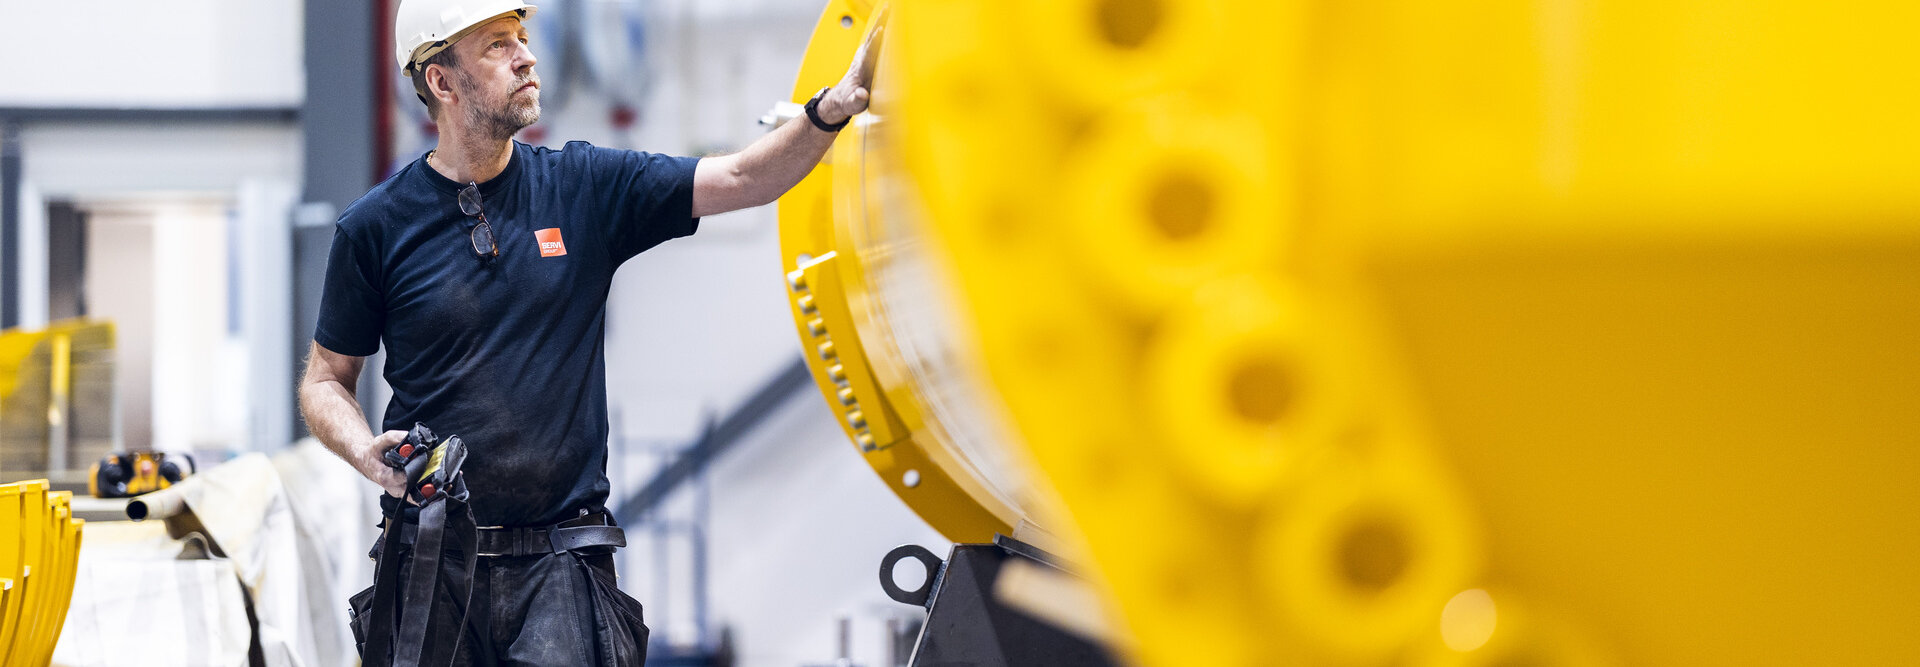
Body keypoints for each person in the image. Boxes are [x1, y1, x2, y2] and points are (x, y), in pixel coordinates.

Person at [295, 0, 880, 663]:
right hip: (433, 563)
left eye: (522, 37)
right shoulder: (376, 227)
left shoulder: (582, 186)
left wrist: (831, 108)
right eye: (496, 45)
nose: (527, 55)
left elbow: (746, 176)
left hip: (561, 570)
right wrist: (366, 452)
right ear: (442, 80)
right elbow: (324, 378)